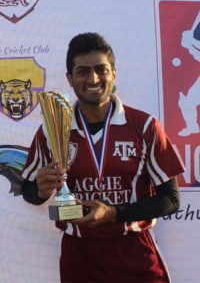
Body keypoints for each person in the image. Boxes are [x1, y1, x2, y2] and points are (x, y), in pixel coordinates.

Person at [22, 32, 185, 283]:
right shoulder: (51, 130)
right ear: (70, 78)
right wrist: (41, 191)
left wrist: (114, 213)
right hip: (79, 256)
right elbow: (29, 191)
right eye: (83, 71)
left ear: (114, 73)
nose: (93, 79)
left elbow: (171, 199)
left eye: (101, 69)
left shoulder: (144, 126)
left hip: (133, 252)